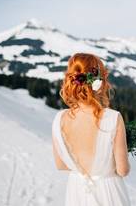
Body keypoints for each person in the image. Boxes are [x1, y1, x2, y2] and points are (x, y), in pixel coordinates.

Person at [51, 53, 131, 206]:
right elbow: (123, 170)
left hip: (76, 193)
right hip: (108, 194)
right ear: (100, 82)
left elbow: (61, 165)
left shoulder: (58, 119)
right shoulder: (113, 118)